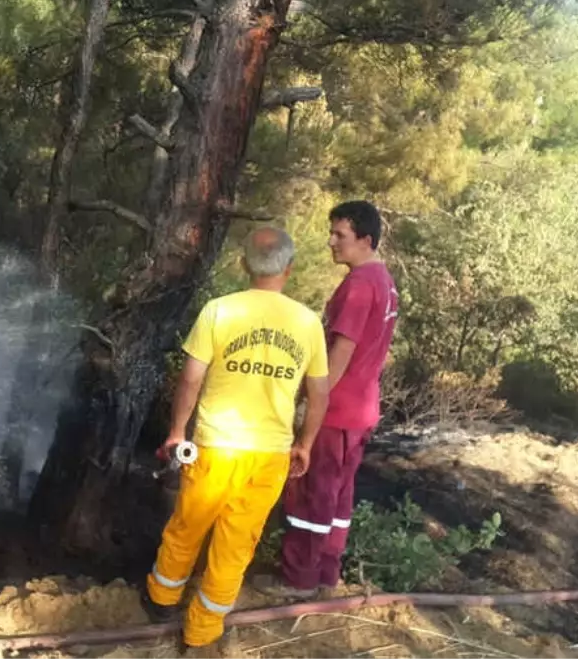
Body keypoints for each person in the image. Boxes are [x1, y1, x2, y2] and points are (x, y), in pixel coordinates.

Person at [142, 226, 331, 652]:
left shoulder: (219, 311)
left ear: (243, 264)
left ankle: (161, 599)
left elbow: (191, 378)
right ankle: (203, 630)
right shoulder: (307, 324)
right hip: (268, 456)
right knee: (236, 544)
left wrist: (177, 432)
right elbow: (319, 393)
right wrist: (305, 444)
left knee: (187, 525)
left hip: (215, 446)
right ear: (290, 268)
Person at [257, 200, 399, 599]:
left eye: (341, 235)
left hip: (336, 409)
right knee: (338, 495)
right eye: (331, 232)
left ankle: (298, 579)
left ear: (365, 240)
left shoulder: (358, 285)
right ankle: (325, 574)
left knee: (309, 492)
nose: (330, 241)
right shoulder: (385, 281)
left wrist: (309, 402)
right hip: (363, 407)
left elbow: (341, 351)